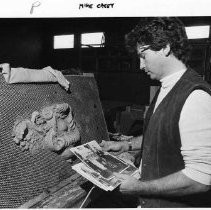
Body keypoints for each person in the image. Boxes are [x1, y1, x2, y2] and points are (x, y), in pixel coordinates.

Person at [100, 17, 211, 207]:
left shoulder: (195, 97)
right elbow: (165, 135)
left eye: (143, 56)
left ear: (165, 47)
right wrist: (128, 145)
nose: (140, 66)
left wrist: (139, 187)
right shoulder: (166, 86)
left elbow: (200, 179)